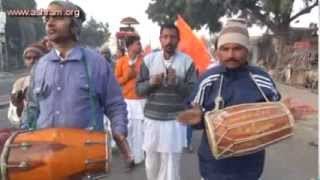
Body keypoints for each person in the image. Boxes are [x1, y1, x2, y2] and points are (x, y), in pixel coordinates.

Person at [177, 19, 316, 180]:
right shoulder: (208, 79)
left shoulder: (261, 78)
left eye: (237, 49)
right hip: (213, 168)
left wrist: (287, 113)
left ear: (247, 50)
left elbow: (276, 111)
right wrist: (196, 118)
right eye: (225, 49)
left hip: (250, 168)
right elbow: (194, 115)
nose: (230, 55)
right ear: (218, 52)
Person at [22, 0, 133, 169]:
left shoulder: (96, 63)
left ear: (74, 24)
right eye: (47, 19)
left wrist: (119, 131)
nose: (50, 23)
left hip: (84, 158)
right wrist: (23, 138)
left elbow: (115, 104)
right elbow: (32, 109)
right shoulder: (40, 66)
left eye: (57, 17)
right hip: (43, 159)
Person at [136, 23, 197, 180]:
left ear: (178, 40)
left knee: (171, 163)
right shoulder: (148, 60)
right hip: (152, 119)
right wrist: (151, 83)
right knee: (151, 162)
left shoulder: (187, 61)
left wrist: (176, 81)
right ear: (160, 39)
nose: (169, 40)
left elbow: (192, 92)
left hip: (175, 121)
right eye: (165, 37)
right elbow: (138, 90)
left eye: (172, 37)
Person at [115, 35, 145, 164]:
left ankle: (138, 158)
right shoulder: (121, 61)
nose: (140, 46)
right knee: (128, 130)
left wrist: (138, 76)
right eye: (137, 44)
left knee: (140, 130)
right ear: (130, 46)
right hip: (126, 101)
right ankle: (130, 156)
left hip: (141, 100)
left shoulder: (144, 61)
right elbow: (116, 81)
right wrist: (127, 77)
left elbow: (147, 79)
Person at [8, 43, 48, 126]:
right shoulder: (20, 83)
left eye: (36, 57)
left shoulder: (52, 79)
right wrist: (19, 106)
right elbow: (13, 117)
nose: (32, 61)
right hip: (28, 130)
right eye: (28, 58)